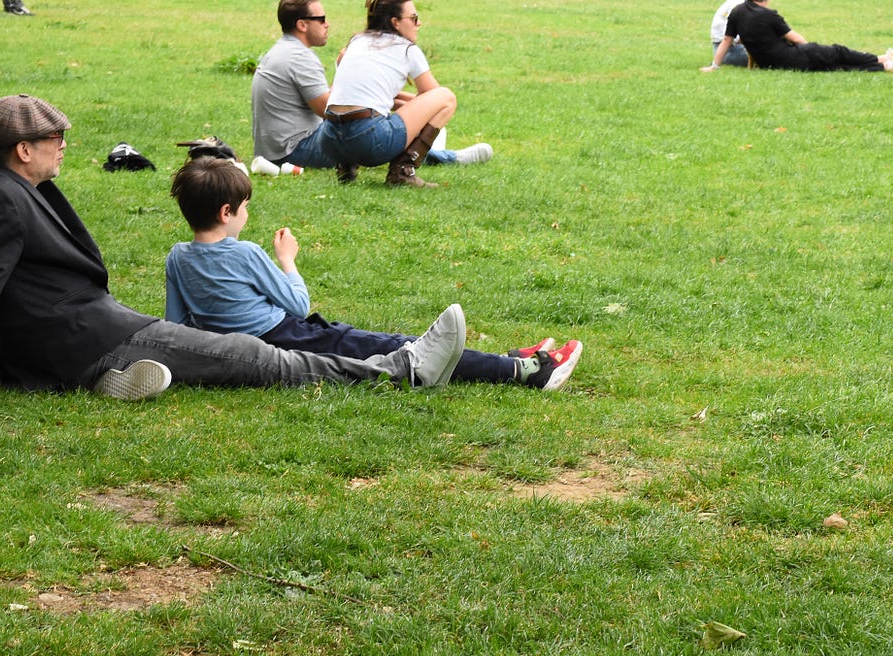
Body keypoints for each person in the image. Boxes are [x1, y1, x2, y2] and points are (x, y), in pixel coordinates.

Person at [0, 95, 468, 415]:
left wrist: (1, 360)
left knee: (232, 355)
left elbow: (1, 285)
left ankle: (104, 377)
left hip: (79, 337)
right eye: (54, 140)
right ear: (23, 150)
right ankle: (401, 369)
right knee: (255, 357)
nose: (64, 146)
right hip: (88, 335)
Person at [164, 158, 581, 391]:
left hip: (242, 348)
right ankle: (527, 372)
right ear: (226, 212)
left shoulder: (178, 258)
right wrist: (287, 260)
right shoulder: (245, 253)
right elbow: (297, 304)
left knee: (398, 346)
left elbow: (176, 326)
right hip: (292, 335)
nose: (246, 214)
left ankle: (511, 360)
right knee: (403, 347)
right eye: (244, 207)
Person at [250, 0, 489, 173]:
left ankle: (440, 153)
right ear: (302, 25)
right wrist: (407, 104)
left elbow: (349, 99)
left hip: (280, 148)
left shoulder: (288, 50)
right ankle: (445, 158)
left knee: (368, 126)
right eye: (321, 19)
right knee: (375, 132)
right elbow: (327, 108)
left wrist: (394, 100)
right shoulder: (300, 58)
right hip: (297, 150)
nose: (328, 24)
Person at [317, 0, 462, 187]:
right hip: (369, 142)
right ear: (395, 22)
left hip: (329, 140)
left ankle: (345, 167)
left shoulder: (356, 41)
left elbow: (359, 93)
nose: (419, 23)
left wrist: (405, 103)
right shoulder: (407, 49)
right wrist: (411, 104)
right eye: (414, 18)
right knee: (446, 97)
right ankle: (403, 171)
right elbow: (434, 96)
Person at [702, 0, 893, 73]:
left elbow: (726, 40)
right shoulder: (770, 15)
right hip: (794, 56)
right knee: (838, 53)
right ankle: (883, 59)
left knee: (834, 66)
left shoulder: (737, 12)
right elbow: (795, 38)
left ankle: (885, 65)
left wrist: (714, 66)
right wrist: (811, 49)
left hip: (772, 63)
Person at [709, 0, 748, 68]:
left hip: (727, 47)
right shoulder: (738, 5)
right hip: (728, 49)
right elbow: (729, 38)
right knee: (763, 56)